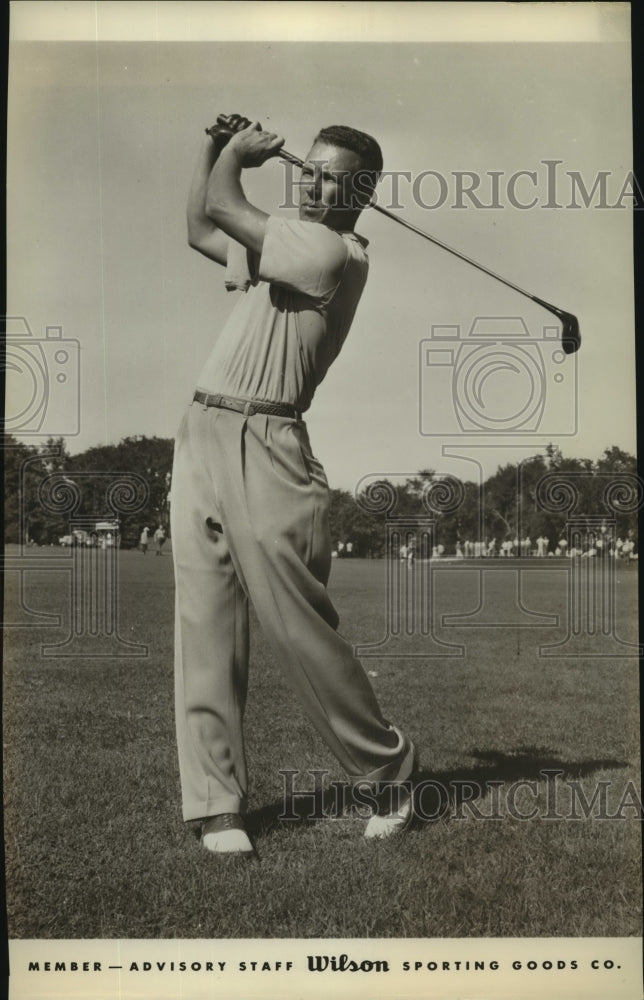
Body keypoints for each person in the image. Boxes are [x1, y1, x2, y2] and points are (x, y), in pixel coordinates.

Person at [172, 116, 416, 856]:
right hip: (202, 433)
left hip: (271, 444)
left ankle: (388, 770)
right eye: (304, 168)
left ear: (360, 193)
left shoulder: (329, 249)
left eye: (327, 175)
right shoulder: (283, 238)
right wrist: (211, 148)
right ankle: (219, 807)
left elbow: (221, 207)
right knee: (204, 624)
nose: (308, 181)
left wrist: (237, 159)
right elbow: (197, 227)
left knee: (298, 628)